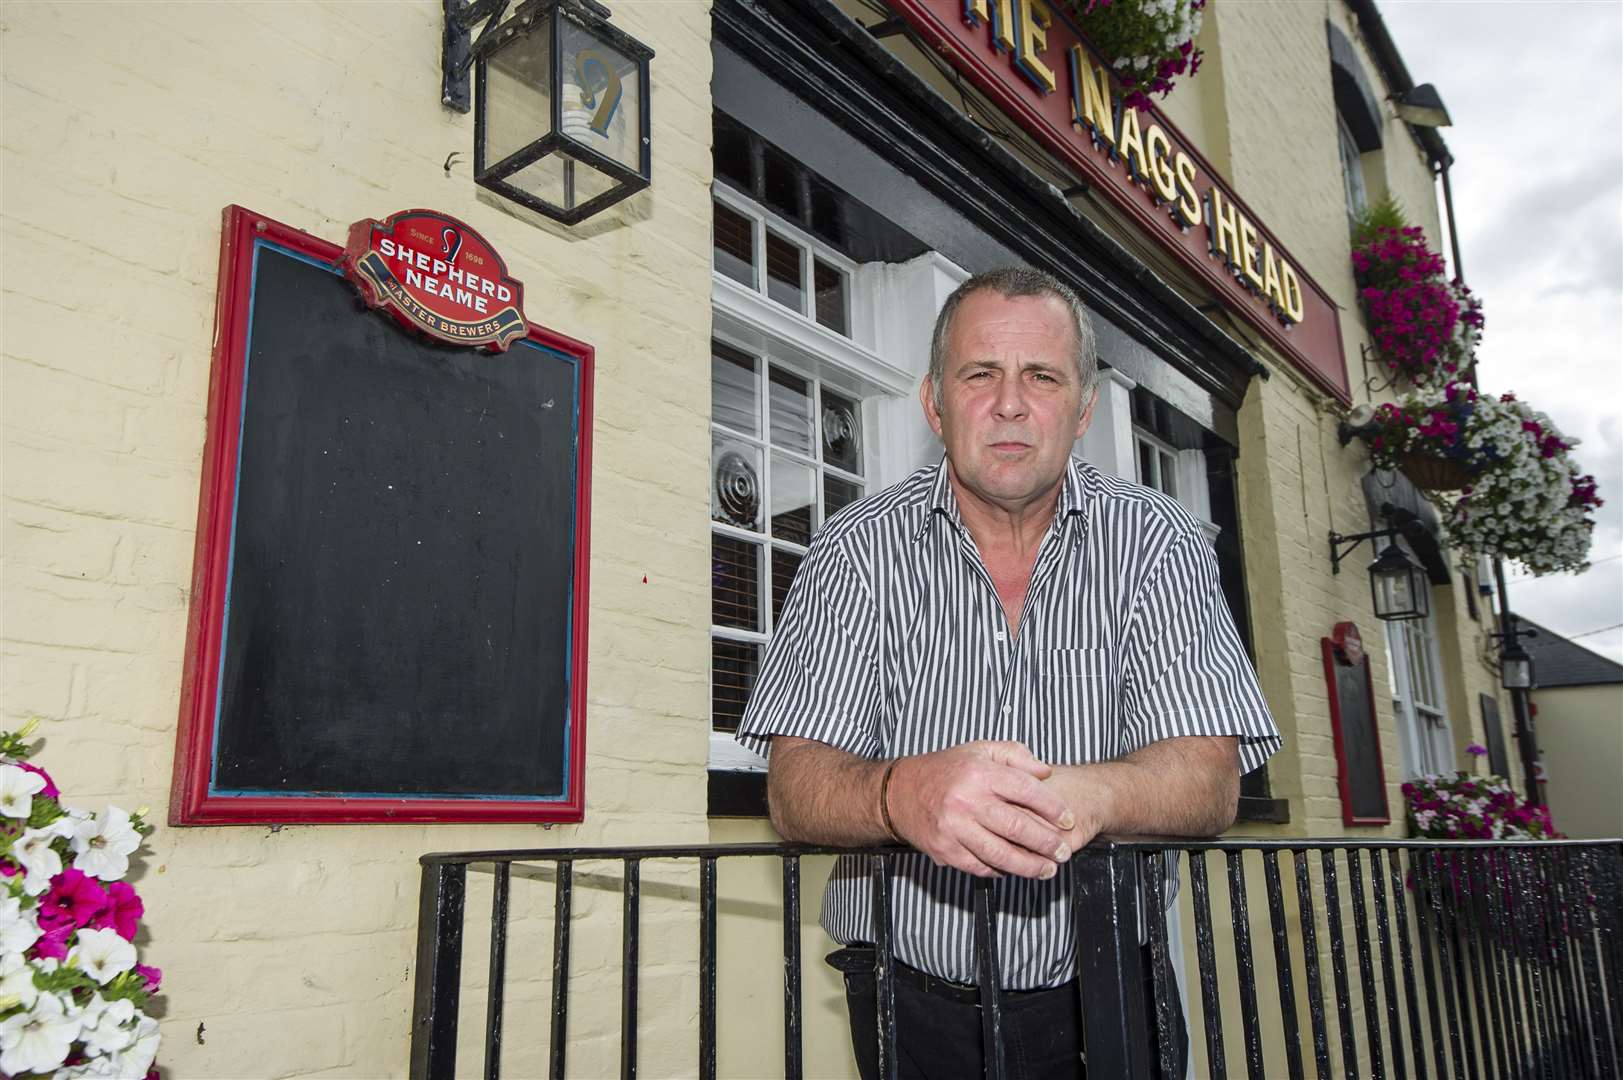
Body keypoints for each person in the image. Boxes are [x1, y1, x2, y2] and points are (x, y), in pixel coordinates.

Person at [735, 267, 1280, 1079]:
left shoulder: (1159, 545)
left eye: (1042, 376)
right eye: (980, 373)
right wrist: (902, 795)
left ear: (1084, 409)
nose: (1011, 403)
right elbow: (795, 787)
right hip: (906, 998)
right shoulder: (853, 550)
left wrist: (1076, 799)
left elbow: (1206, 783)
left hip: (1112, 983)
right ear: (934, 403)